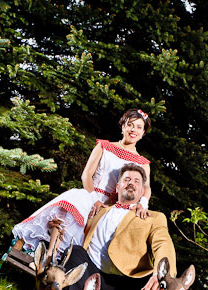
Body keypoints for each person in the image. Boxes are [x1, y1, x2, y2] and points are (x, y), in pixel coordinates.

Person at [56, 163, 176, 290]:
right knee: (76, 252)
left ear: (143, 191)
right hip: (94, 275)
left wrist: (161, 272)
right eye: (127, 180)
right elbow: (72, 224)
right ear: (117, 187)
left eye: (137, 181)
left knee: (159, 282)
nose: (131, 184)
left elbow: (163, 243)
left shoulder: (153, 217)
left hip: (127, 281)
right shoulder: (100, 209)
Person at [12, 109, 153, 256]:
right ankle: (50, 256)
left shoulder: (142, 163)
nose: (133, 130)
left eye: (138, 127)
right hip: (91, 194)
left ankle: (61, 260)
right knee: (73, 198)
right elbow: (86, 175)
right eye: (130, 124)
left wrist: (143, 204)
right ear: (123, 126)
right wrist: (94, 200)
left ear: (143, 133)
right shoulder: (104, 146)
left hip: (113, 205)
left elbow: (146, 188)